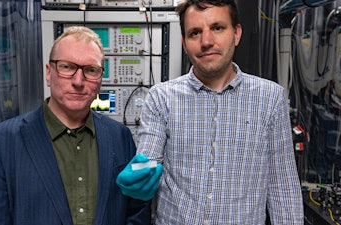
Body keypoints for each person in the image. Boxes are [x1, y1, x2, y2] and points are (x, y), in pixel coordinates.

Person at [116, 0, 304, 224]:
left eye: (217, 28)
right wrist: (139, 174)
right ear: (184, 43)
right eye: (195, 33)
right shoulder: (161, 98)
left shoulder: (270, 99)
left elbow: (283, 188)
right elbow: (148, 162)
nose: (206, 41)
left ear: (236, 33)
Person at [0, 26, 151, 225]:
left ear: (100, 79)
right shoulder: (1, 143)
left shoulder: (120, 136)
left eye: (91, 70)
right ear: (49, 73)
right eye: (67, 67)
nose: (78, 81)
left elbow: (136, 213)